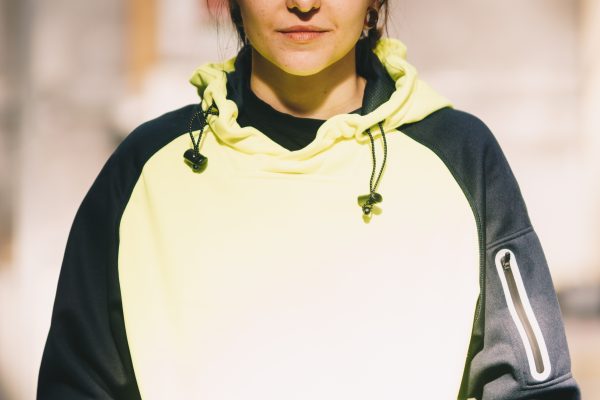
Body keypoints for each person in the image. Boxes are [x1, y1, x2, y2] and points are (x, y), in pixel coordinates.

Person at [37, 0, 581, 399]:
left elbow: (532, 389)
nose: (303, 3)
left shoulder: (462, 157)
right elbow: (76, 384)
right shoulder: (145, 170)